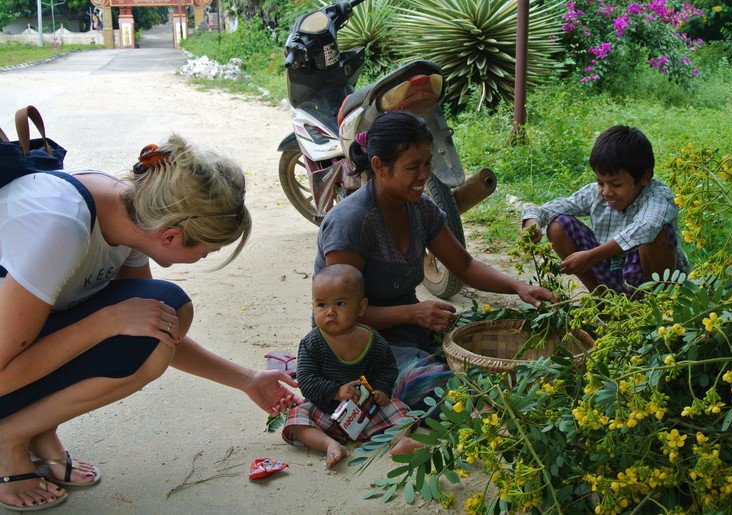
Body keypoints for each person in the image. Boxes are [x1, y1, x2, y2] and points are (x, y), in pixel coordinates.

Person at [0, 135, 301, 512]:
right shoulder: (62, 228)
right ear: (171, 236)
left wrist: (245, 379)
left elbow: (150, 331)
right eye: (206, 251)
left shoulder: (128, 212)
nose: (204, 256)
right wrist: (104, 322)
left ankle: (37, 430)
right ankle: (9, 438)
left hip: (16, 351)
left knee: (167, 308)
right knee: (153, 307)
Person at [314, 112, 556, 411]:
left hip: (408, 329)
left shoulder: (420, 209)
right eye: (412, 167)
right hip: (355, 345)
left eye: (427, 163)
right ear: (379, 166)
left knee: (523, 329)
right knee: (448, 393)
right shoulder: (351, 223)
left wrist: (518, 287)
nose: (424, 175)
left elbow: (464, 266)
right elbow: (340, 316)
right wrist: (413, 313)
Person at [521, 125, 690, 295]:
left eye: (616, 184)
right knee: (558, 226)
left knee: (655, 235)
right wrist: (532, 223)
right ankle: (602, 300)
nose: (606, 192)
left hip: (654, 281)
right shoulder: (596, 194)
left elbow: (647, 228)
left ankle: (660, 304)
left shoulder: (659, 195)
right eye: (601, 182)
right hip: (613, 275)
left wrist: (591, 256)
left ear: (644, 177)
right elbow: (548, 209)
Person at [282, 263, 422, 469]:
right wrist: (336, 391)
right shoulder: (312, 343)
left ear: (361, 307)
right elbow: (306, 379)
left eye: (340, 303)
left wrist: (382, 389)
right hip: (325, 411)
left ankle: (400, 441)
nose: (330, 312)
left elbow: (388, 368)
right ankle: (330, 444)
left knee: (398, 409)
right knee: (296, 417)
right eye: (321, 305)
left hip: (364, 412)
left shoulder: (373, 340)